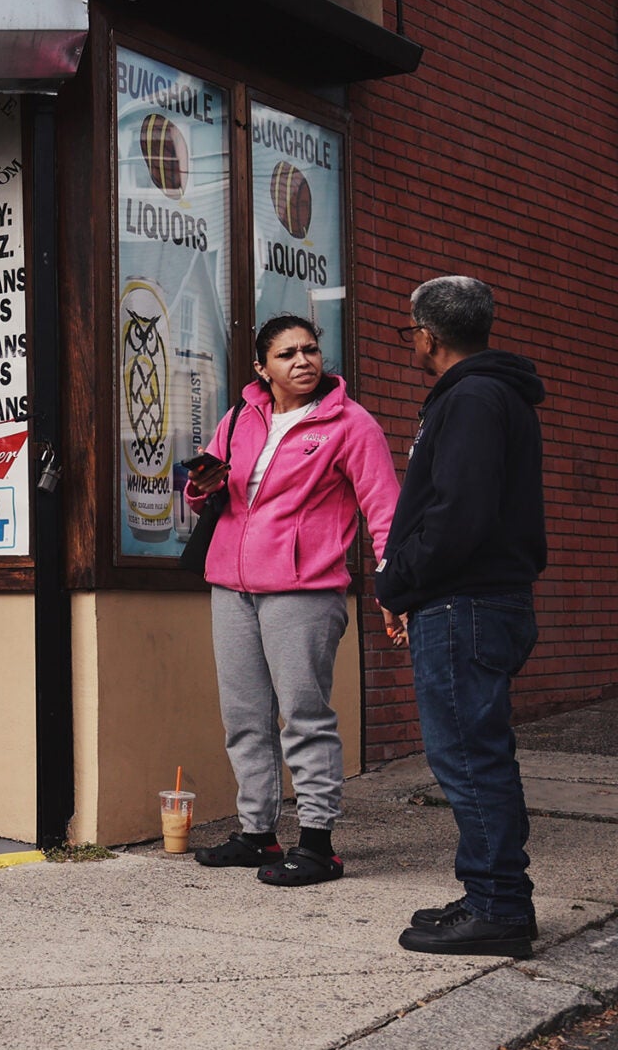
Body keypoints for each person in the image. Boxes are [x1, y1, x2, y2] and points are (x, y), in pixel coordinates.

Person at [184, 316, 400, 884]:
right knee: (244, 717)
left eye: (310, 350)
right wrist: (198, 486)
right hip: (232, 586)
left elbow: (384, 508)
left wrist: (395, 581)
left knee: (304, 716)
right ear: (263, 367)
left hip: (303, 588)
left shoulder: (349, 424)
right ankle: (258, 834)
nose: (302, 361)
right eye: (286, 354)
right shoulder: (240, 417)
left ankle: (318, 843)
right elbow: (211, 488)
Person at [375, 277, 550, 957]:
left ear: (429, 334)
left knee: (470, 760)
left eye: (409, 330)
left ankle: (499, 907)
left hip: (464, 604)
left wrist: (398, 580)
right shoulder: (487, 394)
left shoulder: (474, 398)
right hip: (473, 600)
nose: (411, 340)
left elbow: (456, 515)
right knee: (477, 755)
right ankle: (492, 892)